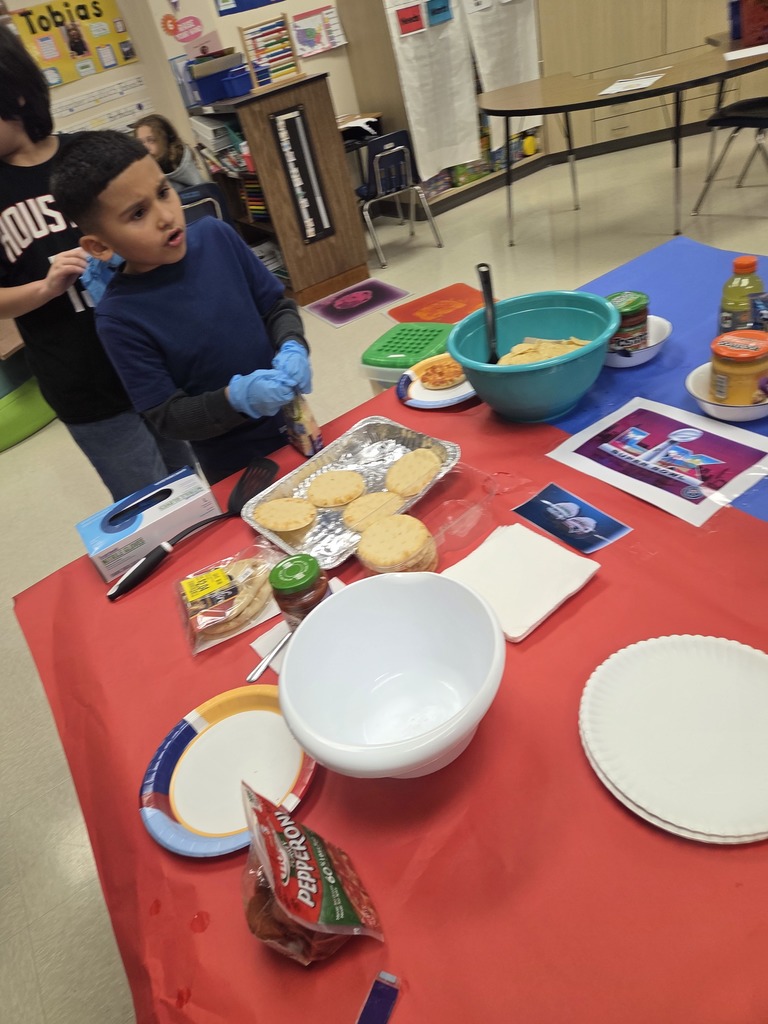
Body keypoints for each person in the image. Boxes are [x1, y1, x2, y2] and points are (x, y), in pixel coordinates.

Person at [50, 129, 313, 485]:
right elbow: (167, 416)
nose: (166, 216)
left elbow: (275, 306)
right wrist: (235, 398)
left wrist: (292, 343)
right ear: (98, 246)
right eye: (138, 213)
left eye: (163, 192)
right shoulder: (119, 318)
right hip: (234, 464)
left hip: (297, 422)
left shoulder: (217, 236)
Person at [0, 25, 192, 501]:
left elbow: (162, 236)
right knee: (153, 511)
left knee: (190, 487)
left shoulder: (91, 155)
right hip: (82, 385)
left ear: (18, 95)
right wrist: (44, 289)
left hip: (152, 362)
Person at [133, 114, 205, 194]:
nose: (145, 148)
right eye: (140, 143)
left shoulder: (178, 163)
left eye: (151, 140)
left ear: (166, 140)